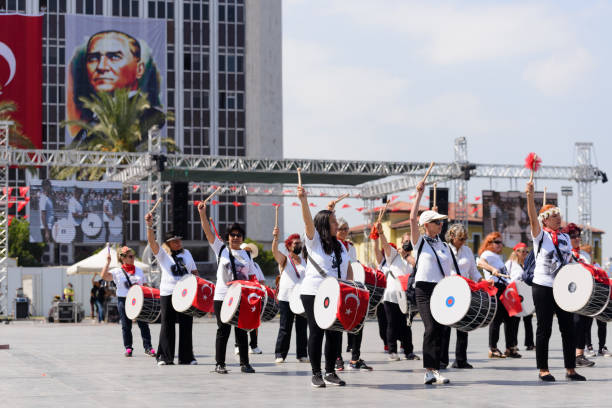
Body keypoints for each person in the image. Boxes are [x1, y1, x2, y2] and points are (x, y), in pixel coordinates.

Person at [526, 180, 584, 381]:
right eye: (553, 216)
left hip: (562, 288)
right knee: (544, 328)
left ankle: (570, 369)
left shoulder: (565, 238)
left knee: (568, 328)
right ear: (545, 220)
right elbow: (532, 219)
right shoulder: (540, 236)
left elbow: (569, 261)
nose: (558, 218)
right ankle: (543, 369)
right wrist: (529, 197)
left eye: (558, 214)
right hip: (542, 286)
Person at [297, 185, 352, 388]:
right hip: (313, 292)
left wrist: (351, 288)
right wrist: (304, 200)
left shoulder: (341, 246)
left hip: (336, 292)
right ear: (324, 225)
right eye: (334, 222)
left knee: (335, 333)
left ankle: (330, 372)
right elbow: (308, 222)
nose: (338, 225)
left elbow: (348, 270)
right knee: (317, 331)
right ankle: (316, 373)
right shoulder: (315, 241)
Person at [69, 30, 165, 146]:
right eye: (93, 58)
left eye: (114, 57)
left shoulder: (151, 117)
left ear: (139, 69)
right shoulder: (90, 124)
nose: (101, 67)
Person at [197, 202, 256, 374]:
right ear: (228, 237)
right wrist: (202, 213)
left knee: (242, 330)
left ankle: (245, 363)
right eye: (232, 235)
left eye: (239, 235)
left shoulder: (247, 255)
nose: (236, 237)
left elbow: (251, 277)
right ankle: (220, 364)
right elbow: (208, 232)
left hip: (241, 297)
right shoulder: (221, 249)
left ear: (242, 238)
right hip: (222, 296)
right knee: (223, 330)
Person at [410, 179, 455, 385]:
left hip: (441, 288)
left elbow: (450, 269)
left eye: (441, 222)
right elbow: (412, 219)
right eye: (437, 222)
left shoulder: (443, 245)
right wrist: (419, 194)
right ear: (426, 225)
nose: (441, 224)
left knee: (440, 328)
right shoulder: (420, 242)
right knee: (430, 327)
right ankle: (429, 370)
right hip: (424, 289)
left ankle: (436, 368)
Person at [144, 222, 199, 366]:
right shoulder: (162, 254)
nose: (178, 242)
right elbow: (151, 241)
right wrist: (149, 225)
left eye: (179, 240)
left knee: (186, 324)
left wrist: (197, 286)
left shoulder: (187, 253)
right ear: (168, 243)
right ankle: (164, 357)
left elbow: (194, 271)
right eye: (175, 241)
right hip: (168, 292)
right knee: (167, 324)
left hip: (185, 293)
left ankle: (187, 357)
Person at [100, 246, 155, 358]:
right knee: (126, 326)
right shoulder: (117, 271)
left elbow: (144, 285)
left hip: (139, 300)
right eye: (130, 256)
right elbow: (104, 276)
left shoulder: (139, 270)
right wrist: (108, 262)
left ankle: (148, 347)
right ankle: (128, 348)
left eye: (133, 256)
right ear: (123, 258)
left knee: (143, 325)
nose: (133, 258)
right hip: (124, 300)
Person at [334, 216, 373, 371]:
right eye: (341, 228)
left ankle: (355, 358)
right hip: (337, 287)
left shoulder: (351, 246)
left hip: (351, 286)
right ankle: (337, 358)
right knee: (337, 324)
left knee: (358, 321)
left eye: (346, 228)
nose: (344, 231)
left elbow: (354, 265)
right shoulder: (332, 245)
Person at [443, 223, 483, 369]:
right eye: (461, 238)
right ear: (452, 237)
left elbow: (473, 270)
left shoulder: (467, 250)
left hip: (465, 291)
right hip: (448, 290)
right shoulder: (444, 249)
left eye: (465, 238)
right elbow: (444, 270)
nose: (463, 241)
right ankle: (442, 359)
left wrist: (481, 281)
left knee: (464, 326)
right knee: (446, 326)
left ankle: (461, 359)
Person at [377, 224, 419, 362]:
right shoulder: (393, 255)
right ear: (401, 243)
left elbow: (416, 265)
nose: (407, 244)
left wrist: (407, 255)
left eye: (410, 242)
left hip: (405, 297)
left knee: (406, 325)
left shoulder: (412, 259)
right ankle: (392, 351)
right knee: (391, 323)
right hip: (391, 296)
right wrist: (381, 233)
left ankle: (409, 351)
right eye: (405, 241)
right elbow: (385, 245)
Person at [477, 232, 520, 359]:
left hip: (504, 288)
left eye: (501, 242)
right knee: (496, 319)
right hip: (496, 288)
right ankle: (493, 348)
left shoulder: (497, 257)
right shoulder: (487, 254)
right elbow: (480, 262)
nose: (500, 245)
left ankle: (510, 347)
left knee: (510, 319)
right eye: (497, 242)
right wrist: (492, 269)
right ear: (489, 243)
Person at [562, 223, 597, 367]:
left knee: (584, 324)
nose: (577, 238)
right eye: (573, 236)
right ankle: (574, 355)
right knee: (575, 324)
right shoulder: (564, 253)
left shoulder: (585, 255)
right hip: (571, 293)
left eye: (578, 236)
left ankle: (580, 355)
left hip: (586, 293)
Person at [272, 230, 308, 364]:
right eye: (296, 243)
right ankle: (280, 354)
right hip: (286, 298)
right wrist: (275, 239)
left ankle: (302, 354)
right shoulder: (285, 260)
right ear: (288, 246)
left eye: (300, 243)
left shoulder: (305, 260)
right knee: (285, 327)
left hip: (301, 299)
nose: (299, 245)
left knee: (302, 328)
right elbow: (275, 252)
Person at [578, 243, 612, 358]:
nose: (590, 254)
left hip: (598, 297)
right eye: (588, 252)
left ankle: (602, 347)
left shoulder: (596, 265)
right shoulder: (581, 265)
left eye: (590, 252)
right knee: (587, 324)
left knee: (602, 323)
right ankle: (589, 347)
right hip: (587, 298)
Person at [505, 242, 534, 351]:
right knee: (515, 320)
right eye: (522, 251)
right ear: (516, 252)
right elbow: (505, 277)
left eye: (526, 251)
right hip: (514, 293)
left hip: (526, 294)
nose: (525, 254)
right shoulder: (510, 264)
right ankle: (513, 344)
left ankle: (530, 343)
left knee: (528, 319)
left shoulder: (527, 264)